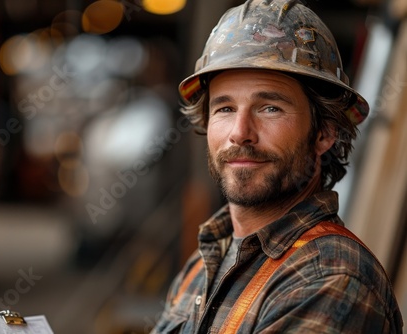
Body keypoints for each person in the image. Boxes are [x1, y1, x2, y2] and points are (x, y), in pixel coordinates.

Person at [151, 0, 404, 333]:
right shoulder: (202, 264)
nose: (240, 133)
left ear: (325, 132)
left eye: (270, 108)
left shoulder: (330, 277)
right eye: (225, 109)